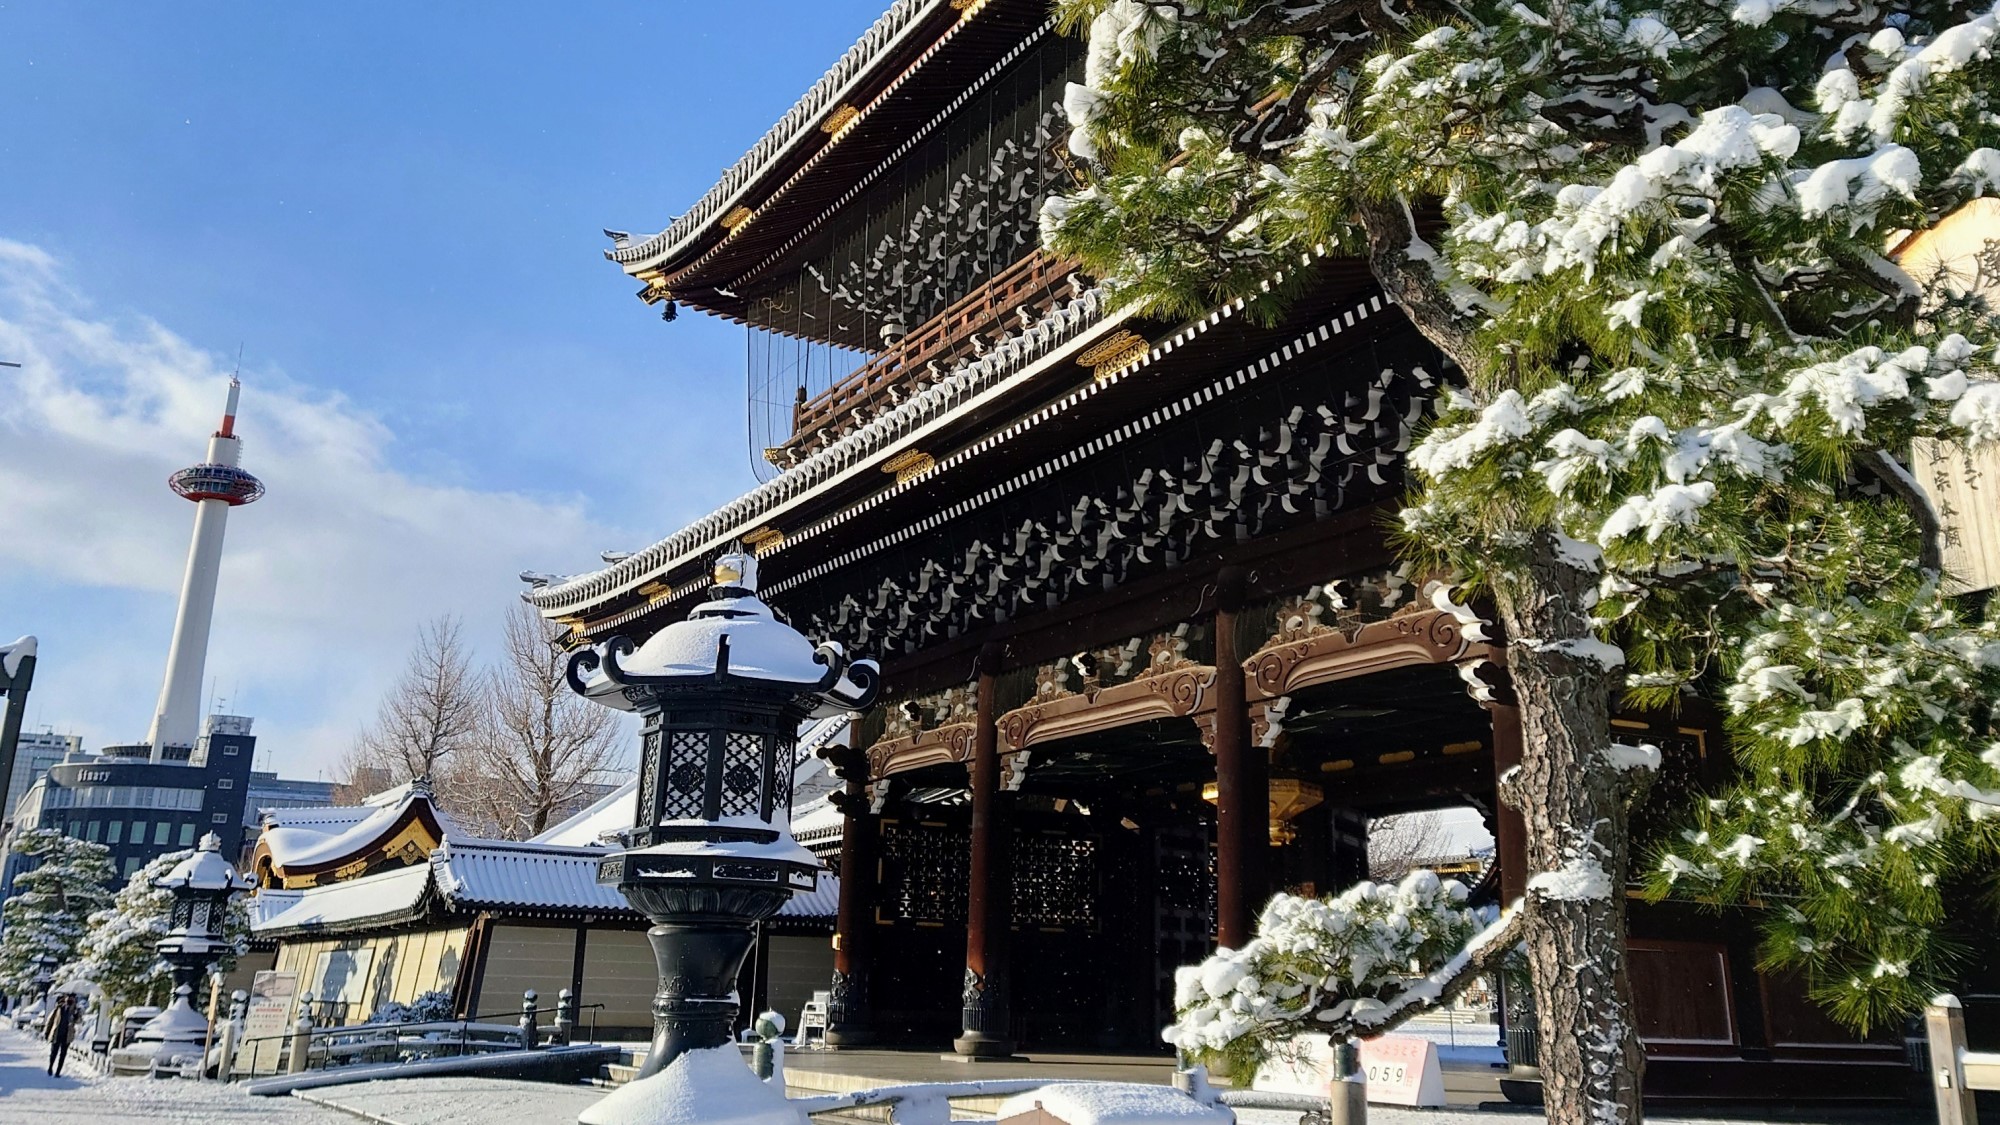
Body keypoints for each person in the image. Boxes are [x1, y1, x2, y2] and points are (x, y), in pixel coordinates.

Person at [45, 992, 78, 1077]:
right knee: (53, 1052)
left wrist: (76, 1016)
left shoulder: (75, 1010)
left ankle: (58, 1072)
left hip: (67, 1035)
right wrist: (47, 1031)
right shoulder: (59, 1008)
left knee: (63, 1054)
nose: (70, 999)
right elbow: (51, 1020)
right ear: (65, 998)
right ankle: (50, 1067)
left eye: (72, 998)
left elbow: (79, 1021)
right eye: (69, 998)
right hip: (57, 1033)